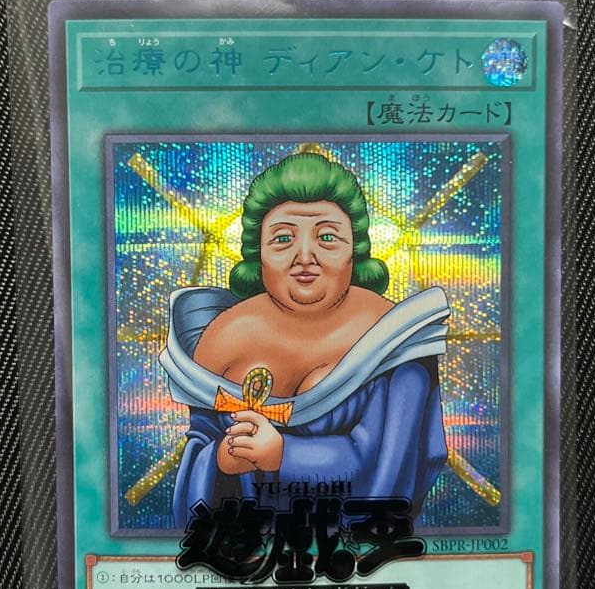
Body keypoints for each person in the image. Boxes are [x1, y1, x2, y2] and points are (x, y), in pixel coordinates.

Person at [159, 144, 450, 530]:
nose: (305, 256)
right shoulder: (220, 337)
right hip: (249, 541)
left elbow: (391, 467)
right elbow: (201, 447)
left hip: (350, 542)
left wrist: (285, 454)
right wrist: (221, 460)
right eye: (283, 239)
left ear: (355, 251)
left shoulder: (394, 341)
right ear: (258, 253)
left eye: (327, 237)